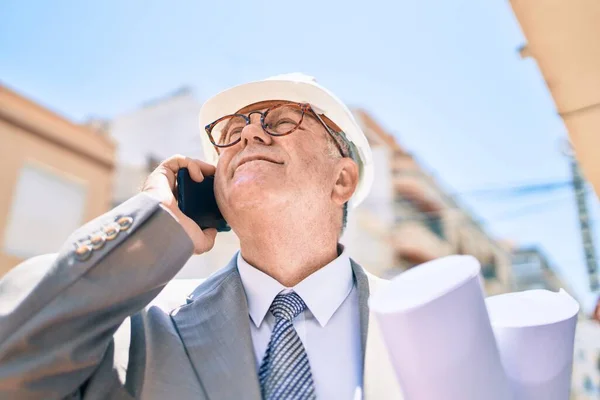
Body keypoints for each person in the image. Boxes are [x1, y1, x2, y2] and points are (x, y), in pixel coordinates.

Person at [0, 73, 402, 399]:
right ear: (215, 185)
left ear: (342, 180)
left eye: (281, 121)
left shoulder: (418, 321)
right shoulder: (135, 329)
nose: (248, 135)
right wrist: (150, 222)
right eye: (231, 131)